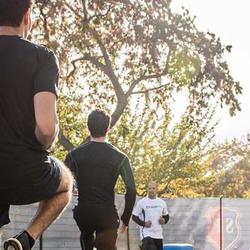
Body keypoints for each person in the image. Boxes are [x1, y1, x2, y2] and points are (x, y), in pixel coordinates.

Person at [0, 0, 73, 249]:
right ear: (27, 17)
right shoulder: (42, 58)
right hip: (23, 170)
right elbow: (45, 129)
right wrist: (47, 141)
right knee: (66, 184)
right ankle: (26, 238)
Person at [65, 109, 136, 250]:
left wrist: (72, 189)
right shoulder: (120, 157)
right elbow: (131, 190)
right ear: (108, 128)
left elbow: (61, 181)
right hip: (106, 214)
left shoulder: (74, 155)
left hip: (84, 214)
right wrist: (125, 218)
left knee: (86, 236)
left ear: (88, 127)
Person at [132, 181, 170, 250]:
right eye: (149, 188)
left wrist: (164, 220)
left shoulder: (162, 203)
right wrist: (144, 223)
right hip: (146, 233)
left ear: (156, 189)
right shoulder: (142, 202)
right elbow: (134, 217)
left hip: (158, 234)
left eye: (153, 188)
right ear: (147, 189)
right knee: (150, 247)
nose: (151, 190)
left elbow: (166, 216)